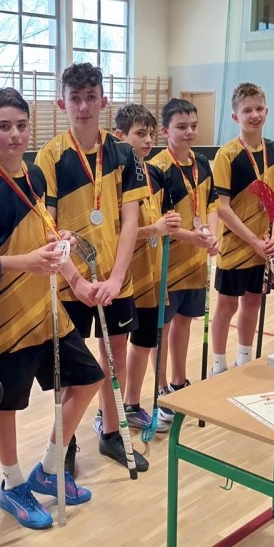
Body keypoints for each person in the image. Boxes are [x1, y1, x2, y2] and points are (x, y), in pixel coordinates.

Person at [0, 87, 103, 530]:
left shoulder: (35, 176)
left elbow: (48, 236)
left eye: (21, 125)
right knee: (7, 405)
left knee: (89, 379)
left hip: (48, 309)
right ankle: (12, 483)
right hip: (5, 314)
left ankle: (50, 468)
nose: (15, 134)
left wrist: (74, 276)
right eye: (3, 126)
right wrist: (24, 262)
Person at [35, 62, 150, 473]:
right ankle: (64, 445)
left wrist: (117, 278)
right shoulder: (50, 156)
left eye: (90, 98)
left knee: (114, 356)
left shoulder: (123, 153)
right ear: (61, 103)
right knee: (69, 368)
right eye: (75, 98)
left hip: (116, 281)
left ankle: (112, 433)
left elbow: (131, 220)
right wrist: (76, 280)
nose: (83, 107)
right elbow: (48, 226)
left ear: (104, 101)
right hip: (70, 284)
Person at [148, 98, 218, 424]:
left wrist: (211, 235)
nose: (189, 132)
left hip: (195, 261)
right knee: (162, 326)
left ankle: (179, 380)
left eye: (193, 126)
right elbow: (159, 220)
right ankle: (161, 388)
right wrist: (192, 237)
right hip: (166, 262)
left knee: (185, 322)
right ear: (165, 131)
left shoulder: (202, 163)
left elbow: (212, 204)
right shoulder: (157, 168)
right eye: (181, 127)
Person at [209, 83, 274, 376]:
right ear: (235, 117)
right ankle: (218, 365)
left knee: (253, 302)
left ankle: (244, 358)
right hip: (236, 246)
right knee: (227, 306)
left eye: (259, 109)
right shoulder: (227, 155)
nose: (254, 115)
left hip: (264, 247)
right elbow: (222, 208)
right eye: (247, 110)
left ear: (267, 111)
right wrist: (254, 240)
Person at [114, 104, 181, 432]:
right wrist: (154, 229)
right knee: (119, 347)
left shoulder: (152, 173)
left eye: (151, 133)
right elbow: (115, 232)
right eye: (140, 134)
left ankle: (131, 403)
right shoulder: (115, 178)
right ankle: (111, 411)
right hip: (127, 277)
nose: (148, 140)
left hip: (153, 274)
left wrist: (168, 223)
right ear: (119, 136)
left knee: (144, 343)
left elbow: (158, 222)